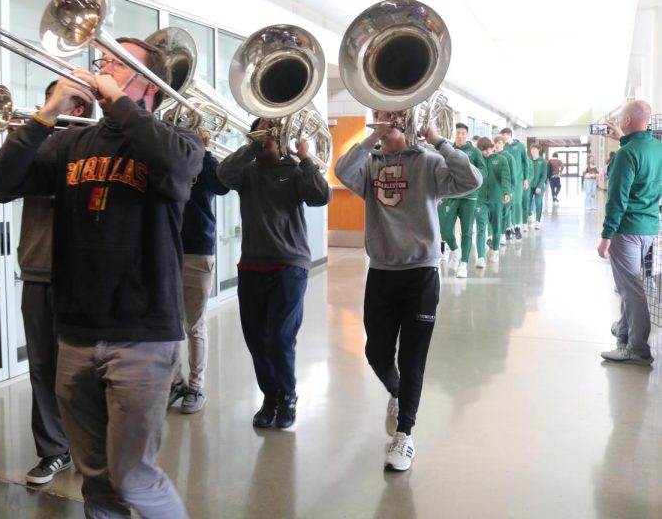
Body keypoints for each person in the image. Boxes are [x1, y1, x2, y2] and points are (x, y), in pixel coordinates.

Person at [0, 37, 202, 518]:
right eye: (101, 59)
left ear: (148, 81)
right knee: (96, 480)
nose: (99, 66)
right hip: (76, 336)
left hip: (143, 335)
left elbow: (177, 168)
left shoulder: (178, 142)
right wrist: (45, 114)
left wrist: (120, 103)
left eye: (114, 62)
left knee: (135, 477)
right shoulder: (69, 142)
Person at [334, 111, 481, 471]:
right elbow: (341, 171)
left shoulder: (429, 162)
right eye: (381, 114)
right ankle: (398, 394)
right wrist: (371, 139)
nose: (388, 118)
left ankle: (405, 435)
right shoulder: (369, 165)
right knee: (375, 352)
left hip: (421, 273)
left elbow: (471, 179)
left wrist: (438, 140)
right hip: (382, 271)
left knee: (413, 356)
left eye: (395, 114)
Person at [217, 118, 330, 431]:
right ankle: (270, 397)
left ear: (281, 139)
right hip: (251, 265)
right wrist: (253, 145)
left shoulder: (294, 170)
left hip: (289, 265)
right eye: (261, 133)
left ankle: (288, 396)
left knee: (279, 337)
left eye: (271, 134)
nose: (267, 139)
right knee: (256, 340)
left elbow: (320, 197)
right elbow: (223, 175)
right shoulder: (246, 172)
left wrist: (306, 159)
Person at [18, 81, 88, 485]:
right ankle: (53, 450)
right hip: (39, 270)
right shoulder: (35, 140)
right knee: (43, 367)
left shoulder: (98, 142)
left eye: (74, 103)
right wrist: (30, 134)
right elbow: (2, 184)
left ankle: (88, 446)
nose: (66, 109)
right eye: (58, 102)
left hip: (86, 275)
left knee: (86, 370)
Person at [168, 130, 229, 414]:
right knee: (168, 327)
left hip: (198, 251)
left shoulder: (204, 164)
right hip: (168, 251)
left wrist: (204, 151)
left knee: (194, 326)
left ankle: (196, 386)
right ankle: (175, 383)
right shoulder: (168, 158)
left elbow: (222, 186)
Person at [597, 100, 662, 365]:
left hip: (627, 230)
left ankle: (637, 348)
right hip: (649, 228)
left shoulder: (626, 155)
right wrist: (622, 139)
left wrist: (606, 236)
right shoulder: (657, 148)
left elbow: (617, 200)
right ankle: (624, 330)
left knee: (632, 288)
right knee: (629, 283)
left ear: (626, 121)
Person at [437, 123, 485, 278]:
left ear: (467, 134)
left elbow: (483, 172)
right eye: (458, 133)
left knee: (467, 231)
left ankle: (463, 264)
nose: (460, 136)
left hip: (469, 197)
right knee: (444, 229)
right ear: (454, 134)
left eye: (463, 133)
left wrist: (471, 176)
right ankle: (455, 250)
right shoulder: (448, 150)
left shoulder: (475, 152)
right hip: (451, 195)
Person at [474, 136, 512, 266]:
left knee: (496, 228)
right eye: (483, 150)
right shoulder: (477, 161)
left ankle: (495, 250)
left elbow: (506, 177)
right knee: (481, 228)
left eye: (489, 149)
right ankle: (480, 257)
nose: (487, 152)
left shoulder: (501, 160)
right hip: (481, 200)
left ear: (492, 147)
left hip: (497, 200)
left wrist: (506, 192)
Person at [500, 127, 528, 240]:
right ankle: (507, 228)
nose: (502, 138)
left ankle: (517, 227)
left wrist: (526, 179)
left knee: (516, 203)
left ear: (508, 134)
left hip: (518, 179)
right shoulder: (503, 147)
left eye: (503, 136)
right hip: (506, 181)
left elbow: (525, 162)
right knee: (507, 204)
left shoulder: (520, 146)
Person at [527, 144, 548, 228]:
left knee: (538, 203)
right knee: (527, 202)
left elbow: (544, 175)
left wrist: (539, 186)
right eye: (532, 150)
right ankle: (529, 214)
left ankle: (538, 221)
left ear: (539, 150)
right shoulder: (528, 159)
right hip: (529, 186)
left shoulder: (543, 161)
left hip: (539, 186)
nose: (533, 151)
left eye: (535, 150)